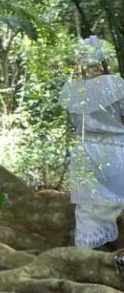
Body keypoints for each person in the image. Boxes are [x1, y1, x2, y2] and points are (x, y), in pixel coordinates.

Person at [60, 35, 124, 250]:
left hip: (85, 151)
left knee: (88, 207)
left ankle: (88, 251)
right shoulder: (116, 85)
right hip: (115, 149)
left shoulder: (73, 91)